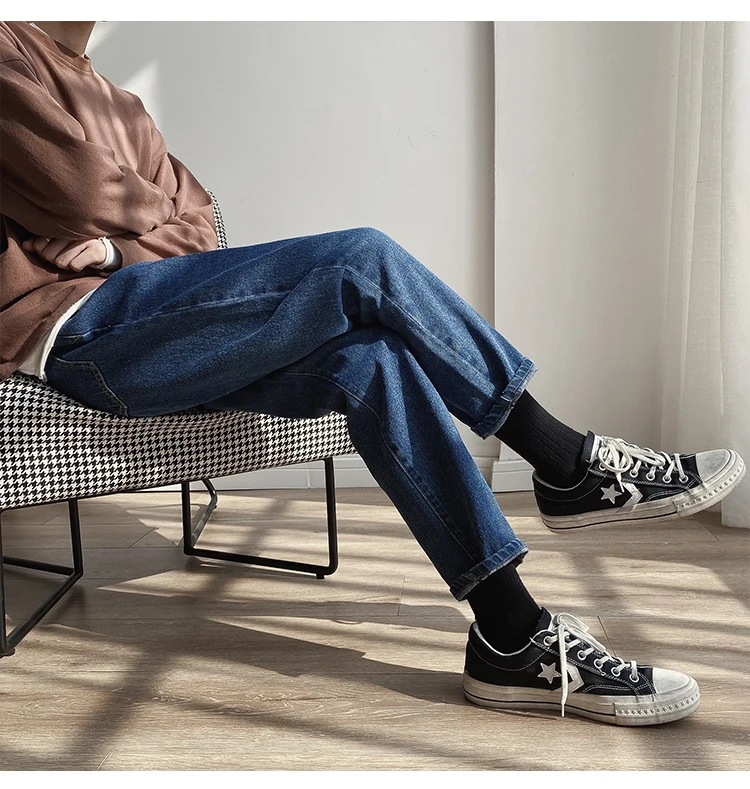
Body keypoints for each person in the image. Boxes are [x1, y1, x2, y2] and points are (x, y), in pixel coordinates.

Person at [0, 20, 744, 727]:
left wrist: (114, 247)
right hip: (78, 333)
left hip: (155, 317)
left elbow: (199, 233)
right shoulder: (9, 52)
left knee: (373, 361)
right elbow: (82, 191)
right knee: (363, 257)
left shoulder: (126, 108)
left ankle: (511, 636)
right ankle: (563, 459)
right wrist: (139, 213)